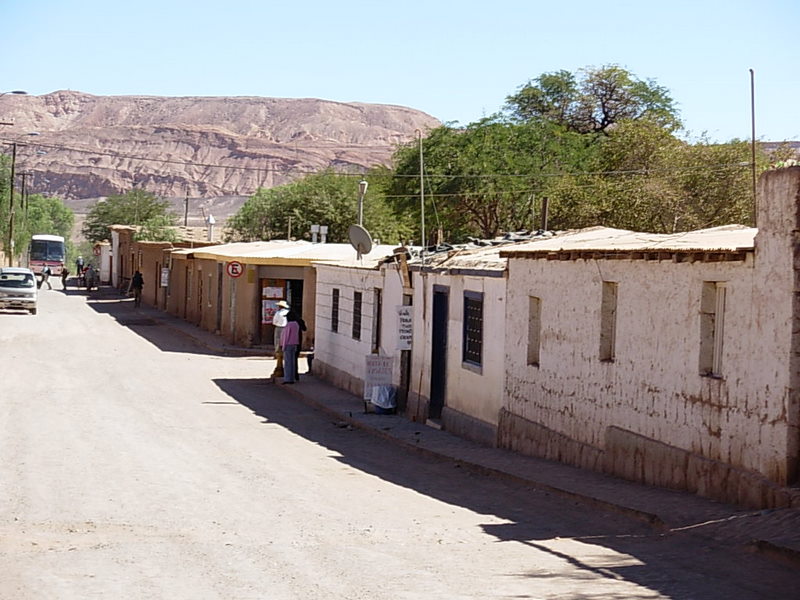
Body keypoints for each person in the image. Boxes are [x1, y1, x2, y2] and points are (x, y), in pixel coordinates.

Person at [280, 312, 301, 384]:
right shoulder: (296, 324)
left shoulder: (289, 325)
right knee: (292, 361)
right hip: (295, 343)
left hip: (288, 344)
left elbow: (286, 336)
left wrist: (283, 345)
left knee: (287, 362)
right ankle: (292, 378)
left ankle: (287, 379)